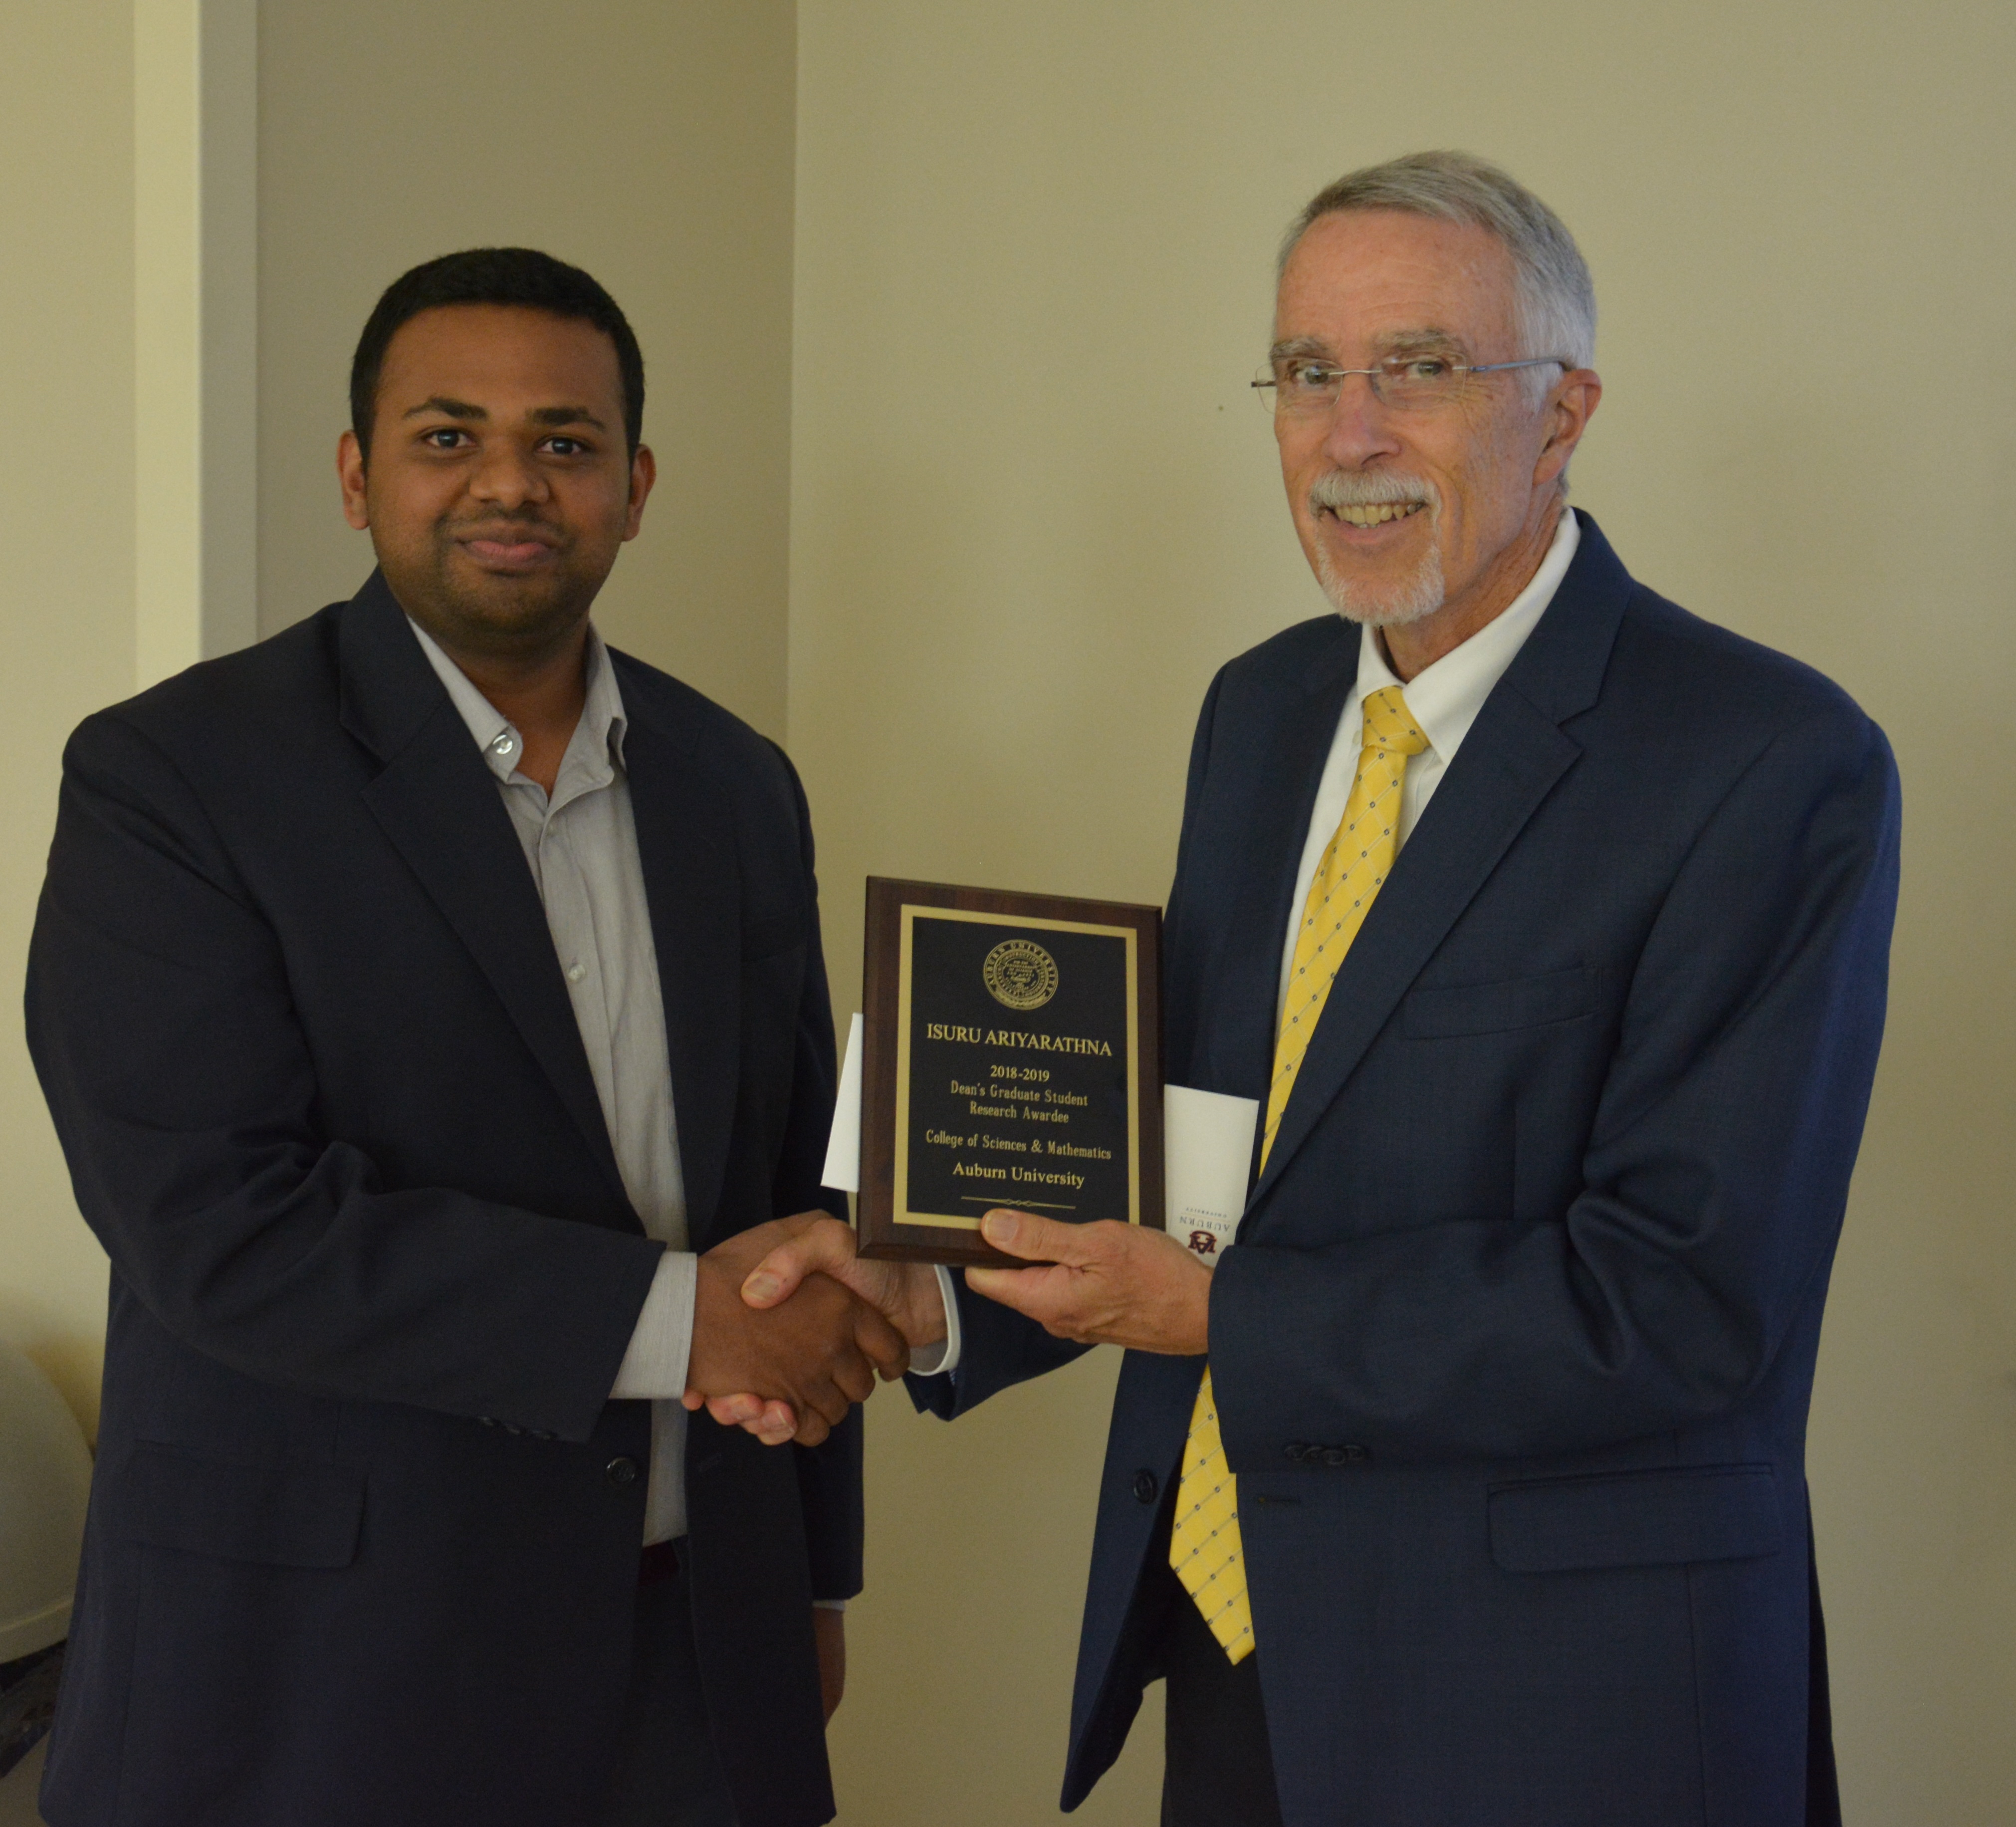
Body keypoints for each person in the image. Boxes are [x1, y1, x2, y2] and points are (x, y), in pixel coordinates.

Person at [712, 153, 1899, 1826]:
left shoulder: (1765, 759)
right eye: (1306, 373)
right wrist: (938, 1288)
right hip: (1240, 1650)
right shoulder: (1261, 714)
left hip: (1568, 1704)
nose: (1348, 436)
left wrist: (1218, 1318)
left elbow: (1680, 1309)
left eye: (1417, 370)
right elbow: (1204, 1161)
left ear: (1561, 414)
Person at [24, 247, 907, 1827]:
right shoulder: (177, 779)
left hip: (691, 1652)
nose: (511, 483)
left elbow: (794, 1202)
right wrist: (679, 1322)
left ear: (634, 488)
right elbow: (217, 1229)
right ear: (358, 478)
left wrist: (811, 1580)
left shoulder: (736, 785)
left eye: (565, 444)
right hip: (325, 1673)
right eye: (447, 437)